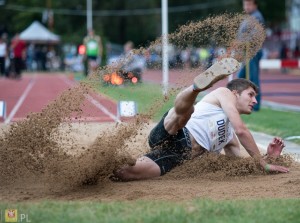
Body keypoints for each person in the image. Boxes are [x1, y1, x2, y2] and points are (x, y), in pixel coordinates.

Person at [113, 57, 289, 181]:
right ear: (236, 93)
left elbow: (240, 167)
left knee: (126, 173)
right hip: (176, 130)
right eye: (251, 95)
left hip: (176, 156)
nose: (255, 101)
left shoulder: (230, 139)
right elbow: (241, 129)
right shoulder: (224, 93)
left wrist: (269, 158)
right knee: (185, 114)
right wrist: (263, 164)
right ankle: (195, 88)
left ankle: (99, 168)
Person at [237, 0, 265, 111]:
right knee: (241, 78)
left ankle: (255, 105)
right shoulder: (247, 17)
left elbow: (255, 36)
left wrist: (243, 43)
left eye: (249, 4)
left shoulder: (256, 17)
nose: (247, 7)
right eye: (245, 4)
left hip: (252, 51)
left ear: (255, 5)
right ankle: (236, 101)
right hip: (246, 52)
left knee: (252, 79)